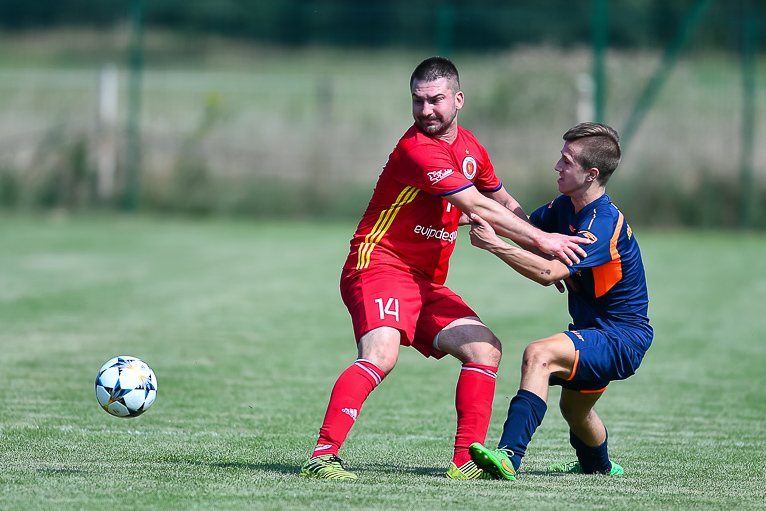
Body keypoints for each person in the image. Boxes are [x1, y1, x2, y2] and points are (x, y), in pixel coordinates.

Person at [298, 57, 590, 481]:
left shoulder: (471, 148)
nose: (426, 110)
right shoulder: (417, 150)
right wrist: (545, 242)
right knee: (381, 355)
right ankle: (322, 456)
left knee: (485, 349)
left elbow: (503, 202)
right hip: (379, 263)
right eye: (418, 101)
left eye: (435, 100)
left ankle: (463, 463)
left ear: (458, 99)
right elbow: (474, 204)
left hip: (423, 281)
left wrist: (539, 247)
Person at [466, 122, 652, 480]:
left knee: (539, 354)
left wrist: (494, 245)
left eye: (567, 161)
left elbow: (549, 272)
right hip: (593, 331)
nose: (557, 166)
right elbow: (526, 230)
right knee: (575, 411)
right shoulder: (565, 207)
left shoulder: (603, 224)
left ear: (591, 174)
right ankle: (598, 466)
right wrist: (466, 209)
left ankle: (508, 456)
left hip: (621, 338)